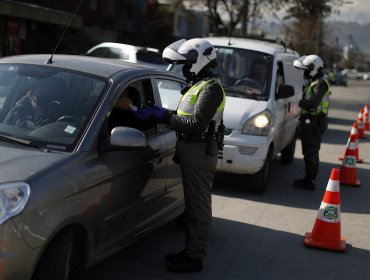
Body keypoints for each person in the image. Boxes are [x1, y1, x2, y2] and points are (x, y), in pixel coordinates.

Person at [147, 38, 226, 273]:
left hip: (200, 151)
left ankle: (195, 258)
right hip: (191, 149)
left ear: (201, 60)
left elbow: (197, 124)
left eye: (188, 62)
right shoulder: (197, 85)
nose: (184, 66)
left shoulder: (211, 88)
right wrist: (161, 112)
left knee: (198, 206)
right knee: (191, 204)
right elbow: (185, 115)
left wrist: (164, 117)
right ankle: (190, 250)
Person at [293, 54, 331, 190]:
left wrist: (299, 101)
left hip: (315, 122)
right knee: (308, 150)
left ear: (314, 68)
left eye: (307, 69)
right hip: (310, 121)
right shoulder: (313, 82)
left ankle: (310, 181)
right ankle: (308, 178)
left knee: (311, 151)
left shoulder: (320, 84)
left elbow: (312, 103)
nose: (305, 72)